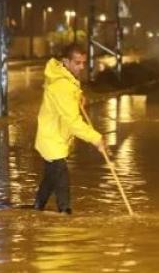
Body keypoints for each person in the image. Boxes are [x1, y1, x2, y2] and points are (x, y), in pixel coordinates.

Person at [33, 42, 106, 214]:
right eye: (77, 63)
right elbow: (73, 123)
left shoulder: (64, 78)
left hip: (54, 137)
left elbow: (68, 96)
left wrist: (78, 96)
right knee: (61, 177)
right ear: (66, 61)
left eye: (83, 63)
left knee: (51, 178)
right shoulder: (61, 85)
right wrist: (96, 139)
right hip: (52, 139)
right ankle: (65, 216)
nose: (81, 67)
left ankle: (37, 209)